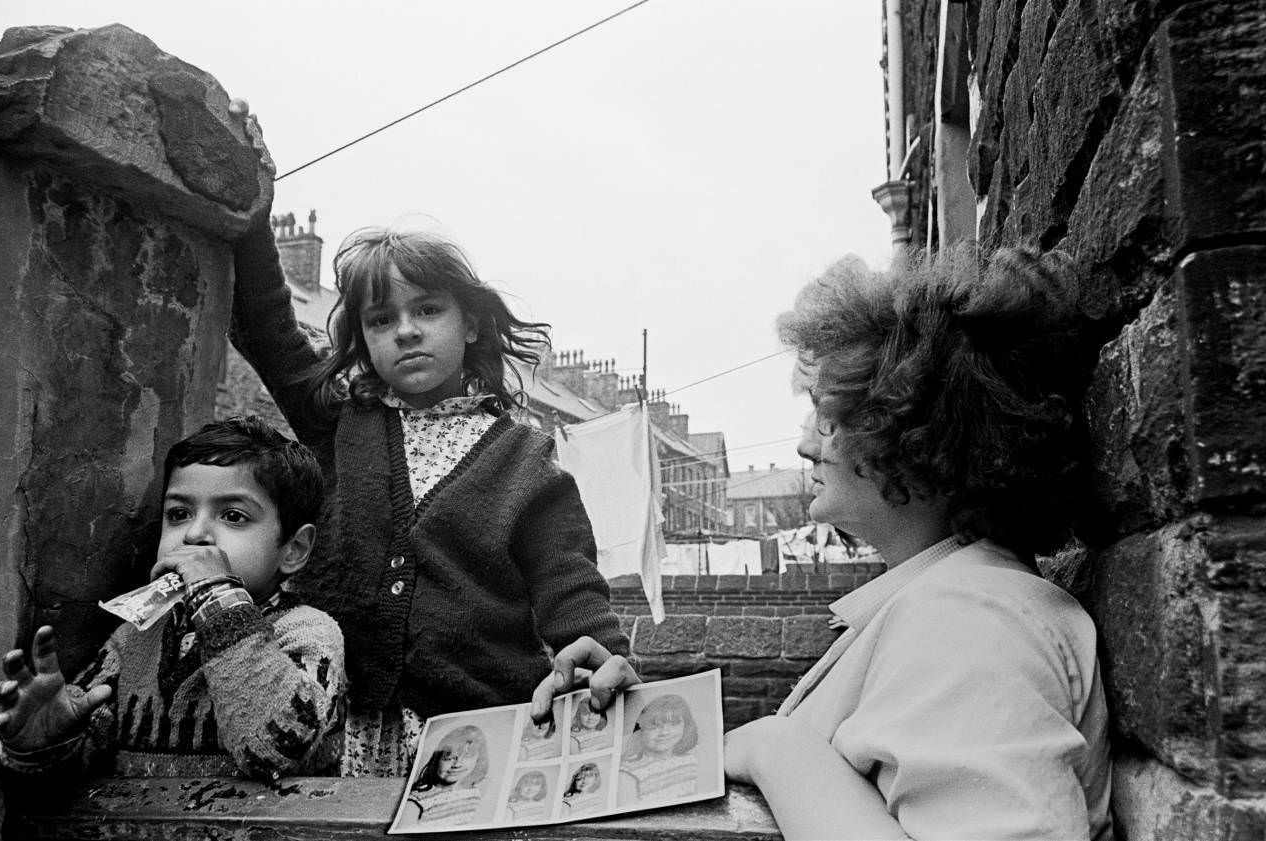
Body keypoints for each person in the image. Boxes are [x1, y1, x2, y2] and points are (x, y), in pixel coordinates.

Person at [532, 246, 1114, 839]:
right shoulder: (947, 602)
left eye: (826, 414)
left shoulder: (973, 621)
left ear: (916, 435)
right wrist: (638, 723)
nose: (807, 444)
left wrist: (773, 744)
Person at [230, 217, 630, 776]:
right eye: (381, 319)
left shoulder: (526, 460)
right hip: (341, 733)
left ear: (469, 323)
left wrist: (606, 654)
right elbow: (264, 326)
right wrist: (251, 215)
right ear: (365, 341)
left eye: (427, 309)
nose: (406, 330)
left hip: (480, 736)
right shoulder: (337, 423)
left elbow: (569, 583)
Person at [0, 417, 346, 781]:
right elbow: (78, 774)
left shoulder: (308, 632)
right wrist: (46, 745)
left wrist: (216, 595)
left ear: (293, 549)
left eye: (233, 516)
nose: (193, 534)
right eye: (178, 514)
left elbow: (274, 751)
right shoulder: (135, 640)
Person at [617, 694, 699, 805]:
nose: (664, 732)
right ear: (640, 729)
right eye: (655, 725)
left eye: (674, 723)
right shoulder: (629, 771)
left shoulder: (689, 761)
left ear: (686, 726)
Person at [406, 725, 488, 826]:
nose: (457, 765)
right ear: (437, 760)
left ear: (478, 760)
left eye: (467, 756)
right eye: (449, 758)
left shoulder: (476, 794)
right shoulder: (418, 799)